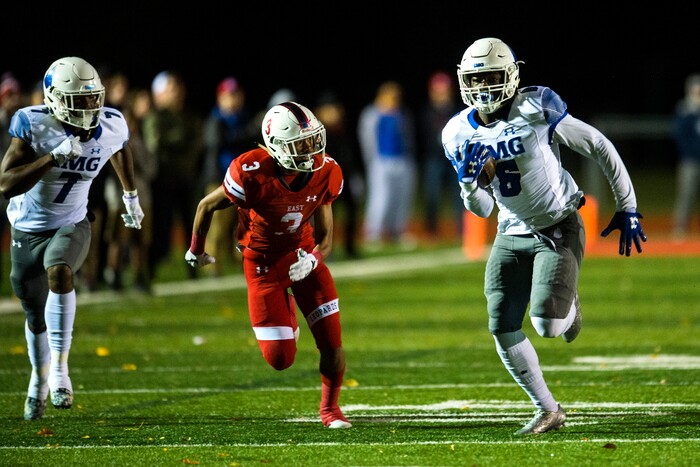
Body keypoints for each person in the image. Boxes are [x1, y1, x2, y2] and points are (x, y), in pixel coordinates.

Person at [442, 38, 647, 435]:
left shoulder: (536, 107)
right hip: (509, 229)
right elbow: (483, 210)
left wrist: (628, 206)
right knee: (501, 324)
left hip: (557, 223)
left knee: (549, 325)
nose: (483, 87)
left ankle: (567, 300)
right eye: (476, 78)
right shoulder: (455, 133)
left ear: (512, 75)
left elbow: (599, 145)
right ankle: (548, 409)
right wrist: (468, 185)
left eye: (491, 77)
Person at [185, 101, 351, 429]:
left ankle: (330, 410)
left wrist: (314, 259)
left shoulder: (326, 172)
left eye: (312, 140)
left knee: (331, 341)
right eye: (300, 144)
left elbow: (327, 238)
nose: (311, 150)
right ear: (276, 145)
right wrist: (197, 250)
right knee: (279, 359)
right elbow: (206, 206)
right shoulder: (250, 172)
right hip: (261, 264)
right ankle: (285, 307)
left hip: (303, 257)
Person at [0, 57, 142, 420]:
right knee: (34, 315)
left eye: (94, 98)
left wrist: (130, 195)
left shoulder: (111, 123)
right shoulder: (33, 123)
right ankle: (38, 378)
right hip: (27, 230)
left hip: (73, 223)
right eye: (80, 101)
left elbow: (120, 148)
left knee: (60, 270)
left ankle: (60, 371)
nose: (91, 108)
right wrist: (51, 158)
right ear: (55, 98)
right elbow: (5, 184)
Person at [142, 70, 203, 281]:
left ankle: (193, 268)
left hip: (185, 178)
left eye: (178, 89)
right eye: (170, 89)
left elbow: (196, 145)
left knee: (191, 224)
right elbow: (155, 144)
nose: (176, 93)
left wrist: (176, 143)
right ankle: (150, 268)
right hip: (163, 180)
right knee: (160, 226)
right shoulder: (154, 117)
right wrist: (181, 140)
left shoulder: (190, 115)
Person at [199, 77, 254, 276]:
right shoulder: (215, 119)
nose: (234, 99)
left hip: (241, 182)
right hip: (219, 180)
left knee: (242, 225)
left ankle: (242, 263)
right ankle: (213, 267)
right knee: (218, 226)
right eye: (230, 95)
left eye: (237, 94)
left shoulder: (242, 118)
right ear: (220, 98)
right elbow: (217, 143)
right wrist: (246, 133)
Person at [357, 80, 417, 250]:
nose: (395, 99)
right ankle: (373, 232)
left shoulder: (401, 113)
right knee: (380, 198)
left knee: (402, 197)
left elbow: (407, 137)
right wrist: (371, 162)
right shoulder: (372, 114)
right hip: (381, 161)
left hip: (402, 160)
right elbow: (367, 140)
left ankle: (398, 230)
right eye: (391, 96)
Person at [315, 90, 363, 258]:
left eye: (334, 109)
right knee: (326, 217)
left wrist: (356, 174)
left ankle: (350, 247)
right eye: (328, 109)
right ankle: (325, 249)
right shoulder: (318, 134)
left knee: (352, 210)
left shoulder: (343, 130)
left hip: (345, 179)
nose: (332, 113)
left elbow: (352, 154)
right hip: (326, 182)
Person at [419, 71, 462, 237]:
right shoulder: (427, 112)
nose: (441, 94)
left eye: (444, 90)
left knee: (460, 195)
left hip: (454, 159)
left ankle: (462, 229)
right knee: (432, 195)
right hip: (434, 158)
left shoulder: (458, 111)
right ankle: (431, 231)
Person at [0, 73, 23, 288]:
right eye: (9, 96)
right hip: (3, 181)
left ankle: (18, 284)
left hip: (13, 184)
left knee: (17, 235)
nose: (13, 100)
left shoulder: (19, 120)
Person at [671, 73, 700, 239]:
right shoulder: (685, 109)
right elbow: (681, 134)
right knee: (686, 196)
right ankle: (680, 229)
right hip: (689, 161)